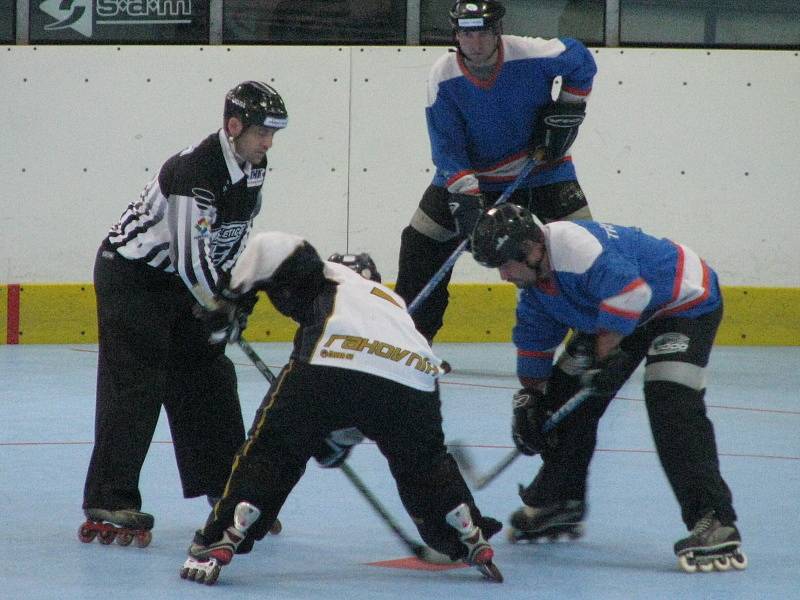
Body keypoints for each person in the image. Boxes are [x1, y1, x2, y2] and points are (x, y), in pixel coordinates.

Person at [179, 232, 503, 585]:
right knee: (425, 465)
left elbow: (269, 245)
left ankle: (224, 533)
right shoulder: (391, 304)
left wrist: (229, 299)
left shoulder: (331, 274)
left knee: (273, 451)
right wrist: (330, 443)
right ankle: (463, 527)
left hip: (331, 360)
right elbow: (365, 405)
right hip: (413, 376)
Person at [469, 203, 748, 573]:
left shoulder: (576, 248)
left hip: (680, 304)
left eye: (504, 264)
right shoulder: (535, 286)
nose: (503, 275)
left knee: (670, 398)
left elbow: (632, 294)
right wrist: (530, 401)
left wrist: (604, 359)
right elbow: (534, 346)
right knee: (563, 399)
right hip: (618, 308)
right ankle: (560, 499)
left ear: (530, 250)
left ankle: (714, 519)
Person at [78, 81, 289, 547]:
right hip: (133, 277)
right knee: (138, 377)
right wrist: (217, 305)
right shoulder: (195, 169)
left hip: (180, 284)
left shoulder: (253, 167)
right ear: (234, 127)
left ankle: (229, 492)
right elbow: (191, 257)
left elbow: (229, 239)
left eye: (274, 133)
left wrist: (234, 298)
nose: (269, 142)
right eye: (262, 132)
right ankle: (110, 496)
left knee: (209, 376)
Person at [395, 0, 597, 343]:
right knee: (419, 243)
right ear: (456, 34)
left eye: (483, 32)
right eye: (466, 34)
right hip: (471, 178)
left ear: (498, 30)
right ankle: (410, 340)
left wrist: (569, 107)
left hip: (543, 171)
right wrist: (467, 197)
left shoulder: (530, 53)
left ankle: (592, 334)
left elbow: (582, 60)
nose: (475, 43)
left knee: (584, 244)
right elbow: (446, 149)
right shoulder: (443, 75)